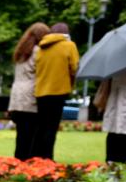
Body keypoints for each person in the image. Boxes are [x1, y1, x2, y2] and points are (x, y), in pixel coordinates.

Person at [30, 22, 79, 160]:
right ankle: (47, 158)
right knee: (51, 127)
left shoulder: (41, 47)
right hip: (58, 90)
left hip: (40, 91)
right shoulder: (69, 45)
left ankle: (35, 157)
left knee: (41, 127)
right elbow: (75, 68)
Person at [8, 22, 50, 160]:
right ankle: (28, 162)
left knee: (21, 135)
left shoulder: (21, 52)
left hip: (17, 96)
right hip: (30, 95)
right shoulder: (39, 52)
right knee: (31, 134)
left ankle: (18, 160)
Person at [101, 68, 126, 163]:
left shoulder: (116, 65)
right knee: (118, 131)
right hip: (118, 97)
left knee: (119, 131)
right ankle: (115, 161)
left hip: (120, 97)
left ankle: (115, 161)